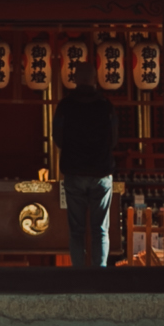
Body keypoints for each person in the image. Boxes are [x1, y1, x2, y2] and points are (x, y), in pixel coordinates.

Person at [52, 74, 120, 268]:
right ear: (94, 81)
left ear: (76, 81)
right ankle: (99, 272)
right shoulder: (105, 104)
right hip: (100, 170)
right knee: (100, 229)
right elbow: (114, 138)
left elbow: (57, 137)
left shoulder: (65, 105)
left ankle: (78, 271)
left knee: (76, 229)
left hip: (74, 170)